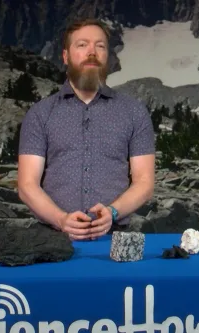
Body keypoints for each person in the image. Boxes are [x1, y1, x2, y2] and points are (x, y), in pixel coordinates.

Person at [18, 18, 155, 241]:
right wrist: (60, 219)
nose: (92, 51)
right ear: (65, 56)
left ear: (108, 56)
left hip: (116, 239)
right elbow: (26, 185)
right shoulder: (40, 114)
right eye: (82, 45)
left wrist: (113, 211)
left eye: (100, 46)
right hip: (52, 239)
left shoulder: (134, 112)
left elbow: (145, 182)